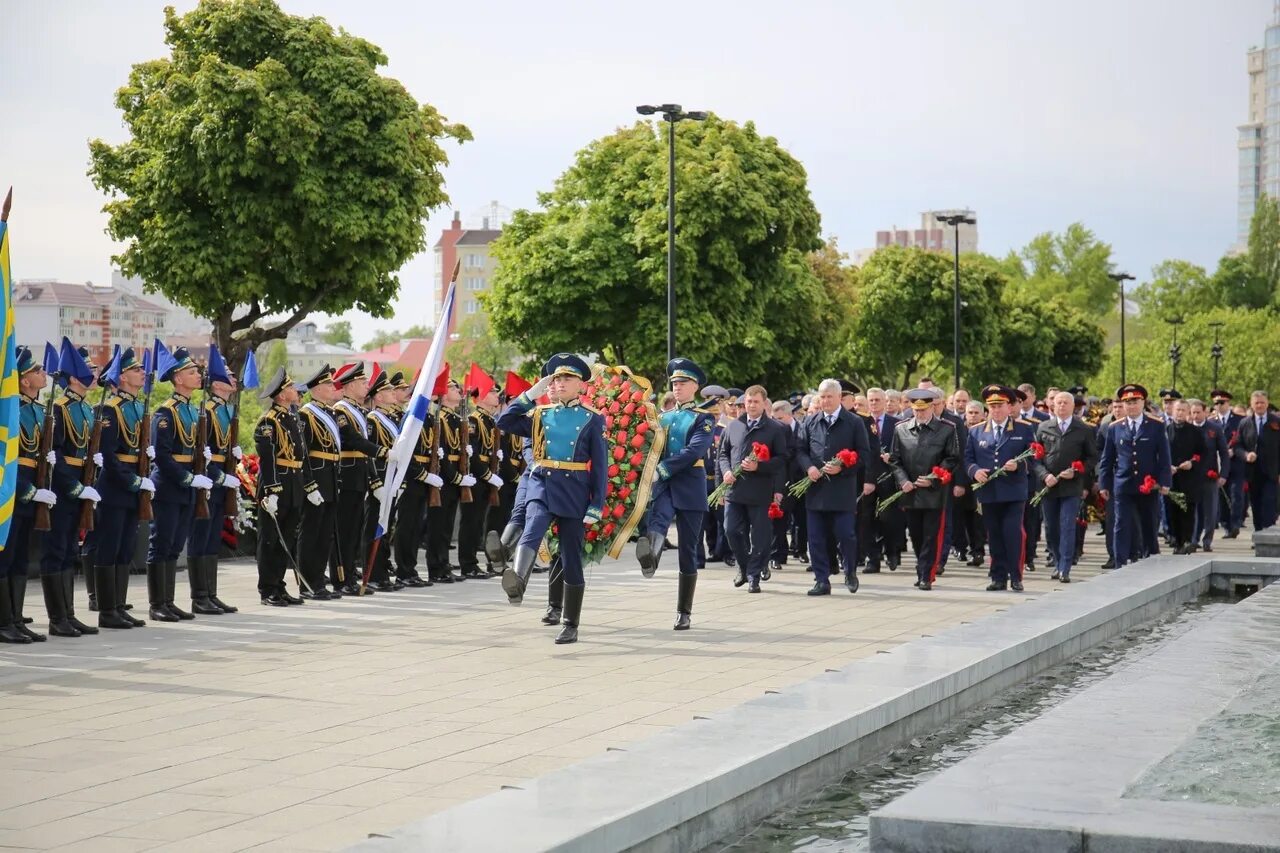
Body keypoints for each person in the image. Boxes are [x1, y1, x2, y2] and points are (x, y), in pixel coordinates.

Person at [496, 354, 607, 644]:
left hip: (574, 490)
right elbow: (503, 421)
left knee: (571, 556)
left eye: (566, 378)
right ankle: (518, 580)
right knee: (532, 529)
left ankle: (571, 623)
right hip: (542, 484)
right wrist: (531, 394)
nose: (559, 382)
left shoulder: (592, 419)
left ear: (581, 385)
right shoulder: (540, 415)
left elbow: (601, 466)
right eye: (556, 378)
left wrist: (596, 505)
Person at [635, 358, 716, 628]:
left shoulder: (703, 419)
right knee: (657, 522)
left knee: (688, 551)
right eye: (674, 383)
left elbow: (694, 451)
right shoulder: (664, 418)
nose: (677, 387)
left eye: (682, 383)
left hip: (690, 485)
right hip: (666, 486)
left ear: (695, 386)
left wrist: (664, 469)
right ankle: (650, 558)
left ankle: (684, 611)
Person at [147, 346, 211, 622]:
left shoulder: (190, 410)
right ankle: (156, 604)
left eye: (197, 371)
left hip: (186, 487)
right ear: (177, 378)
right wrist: (188, 478)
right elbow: (161, 455)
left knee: (175, 546)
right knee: (160, 543)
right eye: (191, 372)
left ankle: (168, 602)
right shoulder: (166, 412)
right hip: (169, 486)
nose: (198, 375)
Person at [0, 346, 59, 642]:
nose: (43, 373)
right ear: (23, 380)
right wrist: (28, 491)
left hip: (34, 489)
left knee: (21, 558)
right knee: (5, 558)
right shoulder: (12, 411)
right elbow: (6, 461)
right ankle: (2, 623)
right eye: (37, 370)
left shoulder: (38, 411)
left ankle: (15, 618)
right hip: (14, 492)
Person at [92, 346, 152, 628]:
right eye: (136, 370)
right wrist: (132, 480)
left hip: (134, 485)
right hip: (115, 487)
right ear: (122, 377)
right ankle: (106, 611)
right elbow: (108, 456)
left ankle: (119, 605)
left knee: (126, 548)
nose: (142, 374)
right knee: (110, 546)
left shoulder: (139, 408)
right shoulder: (109, 409)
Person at [797, 378, 870, 595]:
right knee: (816, 538)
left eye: (830, 396)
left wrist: (843, 468)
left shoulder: (854, 422)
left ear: (840, 397)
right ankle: (822, 580)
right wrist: (809, 467)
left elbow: (864, 455)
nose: (826, 401)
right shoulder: (810, 422)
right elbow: (800, 450)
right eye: (823, 396)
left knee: (846, 534)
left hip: (842, 490)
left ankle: (850, 571)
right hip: (816, 490)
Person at [718, 384, 790, 594]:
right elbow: (723, 454)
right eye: (748, 401)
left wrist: (760, 466)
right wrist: (726, 472)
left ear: (764, 404)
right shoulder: (734, 426)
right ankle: (743, 565)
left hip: (760, 492)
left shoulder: (774, 429)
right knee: (731, 530)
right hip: (735, 491)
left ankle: (754, 575)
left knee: (760, 538)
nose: (751, 405)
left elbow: (782, 459)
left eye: (755, 401)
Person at [966, 384, 1037, 592]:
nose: (996, 410)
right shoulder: (976, 431)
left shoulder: (1023, 428)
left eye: (1000, 406)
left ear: (1009, 407)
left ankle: (1016, 576)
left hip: (1013, 491)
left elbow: (1033, 457)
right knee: (994, 535)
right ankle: (998, 577)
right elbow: (968, 458)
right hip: (989, 492)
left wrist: (1019, 465)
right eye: (992, 406)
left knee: (1012, 533)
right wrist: (975, 471)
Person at [888, 388, 959, 591]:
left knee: (931, 535)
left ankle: (926, 575)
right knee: (916, 535)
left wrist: (933, 478)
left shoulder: (947, 428)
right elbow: (895, 459)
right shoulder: (901, 428)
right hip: (910, 492)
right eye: (916, 410)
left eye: (923, 410)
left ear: (932, 408)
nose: (919, 414)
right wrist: (902, 481)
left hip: (934, 492)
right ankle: (922, 567)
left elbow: (952, 458)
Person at [186, 356, 241, 614]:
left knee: (212, 539)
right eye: (228, 376)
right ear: (217, 384)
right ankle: (199, 596)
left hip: (221, 482)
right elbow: (202, 453)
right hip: (209, 481)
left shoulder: (226, 411)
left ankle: (211, 594)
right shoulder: (206, 411)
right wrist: (219, 477)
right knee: (201, 537)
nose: (234, 380)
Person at [1098, 384, 1172, 566]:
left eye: (1135, 402)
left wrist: (1164, 482)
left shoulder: (1155, 425)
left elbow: (1164, 457)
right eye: (1127, 402)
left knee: (1149, 524)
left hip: (1148, 485)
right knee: (1121, 524)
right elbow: (1107, 459)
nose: (1131, 406)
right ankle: (1120, 562)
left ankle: (1151, 560)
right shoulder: (1115, 427)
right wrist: (1104, 484)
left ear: (1143, 403)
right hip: (1123, 484)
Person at [330, 362, 387, 597]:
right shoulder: (341, 411)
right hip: (347, 475)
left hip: (360, 475)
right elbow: (353, 441)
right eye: (363, 383)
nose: (367, 386)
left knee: (353, 530)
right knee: (343, 531)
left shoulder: (358, 411)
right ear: (351, 385)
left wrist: (374, 480)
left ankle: (351, 576)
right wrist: (382, 451)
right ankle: (340, 578)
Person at [1032, 390, 1099, 583]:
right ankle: (1057, 560)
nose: (1061, 406)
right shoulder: (1044, 427)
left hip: (1071, 486)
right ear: (1053, 405)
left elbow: (1092, 457)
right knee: (1052, 528)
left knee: (1067, 525)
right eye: (1058, 402)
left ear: (1072, 407)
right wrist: (1045, 476)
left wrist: (1078, 471)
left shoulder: (1083, 429)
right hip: (1049, 486)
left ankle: (1065, 568)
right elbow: (1035, 458)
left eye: (1065, 403)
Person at [253, 367, 306, 606]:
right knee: (270, 539)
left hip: (293, 483)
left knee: (286, 538)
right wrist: (271, 490)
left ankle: (279, 585)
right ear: (282, 395)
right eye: (291, 387)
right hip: (277, 486)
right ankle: (267, 589)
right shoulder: (268, 422)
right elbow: (268, 459)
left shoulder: (291, 418)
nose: (295, 391)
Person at [296, 365, 343, 599]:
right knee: (311, 532)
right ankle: (306, 583)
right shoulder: (305, 415)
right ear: (316, 389)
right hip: (316, 477)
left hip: (331, 476)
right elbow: (302, 454)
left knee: (325, 534)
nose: (332, 388)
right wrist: (309, 484)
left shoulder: (330, 412)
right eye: (327, 385)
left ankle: (319, 581)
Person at [458, 381, 503, 579]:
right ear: (482, 396)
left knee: (478, 523)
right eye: (493, 392)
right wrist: (487, 475)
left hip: (487, 478)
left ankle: (473, 564)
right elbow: (473, 454)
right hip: (477, 477)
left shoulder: (490, 421)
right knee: (470, 522)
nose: (497, 395)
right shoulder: (474, 421)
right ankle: (468, 564)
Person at [362, 368, 403, 590]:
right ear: (378, 396)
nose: (393, 393)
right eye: (388, 390)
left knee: (387, 526)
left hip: (392, 479)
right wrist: (375, 482)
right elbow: (371, 453)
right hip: (379, 479)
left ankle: (383, 572)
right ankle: (374, 574)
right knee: (374, 526)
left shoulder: (390, 419)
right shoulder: (373, 419)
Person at [1233, 390, 1280, 531]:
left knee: (1269, 503)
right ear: (1251, 405)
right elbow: (1237, 445)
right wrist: (1246, 455)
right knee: (1256, 504)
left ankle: (1269, 533)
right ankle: (1259, 534)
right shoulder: (1245, 423)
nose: (1259, 405)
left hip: (1271, 472)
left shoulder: (1276, 422)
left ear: (1267, 403)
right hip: (1252, 472)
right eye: (1256, 403)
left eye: (1262, 402)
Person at [1165, 399, 1206, 554]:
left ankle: (1187, 540)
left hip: (1189, 479)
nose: (1180, 413)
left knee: (1187, 510)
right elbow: (1161, 453)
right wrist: (1166, 467)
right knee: (1172, 510)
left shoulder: (1195, 432)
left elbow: (1202, 454)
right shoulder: (1167, 430)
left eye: (1183, 410)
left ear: (1188, 412)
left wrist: (1192, 463)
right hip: (1172, 478)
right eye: (1177, 410)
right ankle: (1176, 541)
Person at [1189, 398, 1230, 552]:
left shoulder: (1214, 429)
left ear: (1205, 412)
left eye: (1198, 412)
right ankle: (1193, 539)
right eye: (1193, 413)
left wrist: (1223, 474)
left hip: (1209, 476)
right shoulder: (1188, 429)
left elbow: (1224, 454)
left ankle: (1207, 540)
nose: (1195, 416)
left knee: (1210, 511)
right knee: (1193, 511)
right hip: (1191, 477)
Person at [955, 401, 987, 567]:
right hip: (962, 480)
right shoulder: (960, 430)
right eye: (970, 413)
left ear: (983, 415)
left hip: (980, 480)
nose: (973, 416)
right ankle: (962, 548)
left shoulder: (986, 430)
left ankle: (978, 551)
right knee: (963, 518)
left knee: (978, 519)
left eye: (976, 412)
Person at [1210, 390, 1246, 538]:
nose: (1219, 405)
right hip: (1219, 465)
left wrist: (1235, 451)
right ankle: (1227, 526)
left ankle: (1236, 522)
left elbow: (1244, 440)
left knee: (1236, 494)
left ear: (1228, 403)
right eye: (1216, 403)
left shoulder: (1240, 420)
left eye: (1222, 402)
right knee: (1222, 497)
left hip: (1236, 463)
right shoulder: (1212, 422)